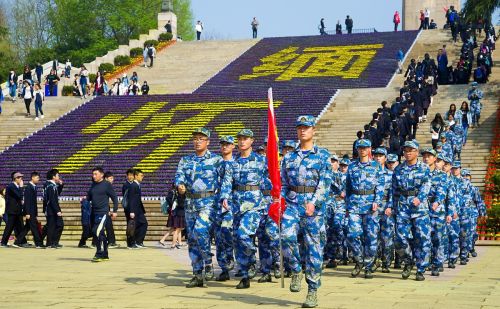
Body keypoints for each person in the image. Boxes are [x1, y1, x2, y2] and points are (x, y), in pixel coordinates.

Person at [280, 115, 331, 308]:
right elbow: (284, 183)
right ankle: (295, 269)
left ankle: (312, 290)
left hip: (313, 208)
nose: (303, 130)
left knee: (313, 250)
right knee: (285, 236)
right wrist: (280, 200)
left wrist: (314, 202)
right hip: (293, 204)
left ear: (313, 130)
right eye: (300, 127)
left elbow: (324, 184)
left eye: (306, 127)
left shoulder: (323, 155)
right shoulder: (289, 157)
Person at [219, 129, 271, 289]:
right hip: (237, 205)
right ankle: (244, 273)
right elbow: (227, 182)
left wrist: (273, 198)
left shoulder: (261, 160)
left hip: (255, 204)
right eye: (240, 139)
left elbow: (272, 180)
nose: (242, 141)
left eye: (245, 138)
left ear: (252, 141)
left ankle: (254, 260)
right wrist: (225, 197)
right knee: (237, 240)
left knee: (243, 234)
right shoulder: (233, 163)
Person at [175, 127, 225, 288]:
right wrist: (180, 185)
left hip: (209, 202)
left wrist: (223, 199)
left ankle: (208, 262)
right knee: (193, 240)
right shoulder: (186, 160)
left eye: (201, 139)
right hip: (190, 202)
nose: (197, 141)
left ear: (208, 142)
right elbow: (179, 176)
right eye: (195, 138)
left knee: (200, 230)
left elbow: (225, 180)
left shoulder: (216, 160)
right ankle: (197, 273)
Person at [390, 140, 431, 281]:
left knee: (422, 238)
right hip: (402, 206)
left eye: (410, 150)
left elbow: (426, 185)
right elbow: (394, 190)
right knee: (400, 238)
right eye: (405, 150)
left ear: (416, 152)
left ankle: (421, 268)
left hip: (419, 207)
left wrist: (420, 198)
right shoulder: (399, 169)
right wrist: (393, 207)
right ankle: (408, 261)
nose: (407, 153)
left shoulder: (424, 168)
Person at [346, 140, 384, 279]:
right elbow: (348, 187)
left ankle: (368, 266)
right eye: (360, 148)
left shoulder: (376, 166)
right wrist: (347, 205)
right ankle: (359, 260)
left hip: (370, 205)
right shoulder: (352, 166)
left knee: (371, 237)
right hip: (355, 204)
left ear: (370, 149)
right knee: (352, 234)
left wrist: (377, 201)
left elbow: (380, 185)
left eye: (365, 148)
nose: (362, 150)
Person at [421, 149, 450, 277]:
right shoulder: (420, 173)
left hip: (437, 210)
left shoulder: (441, 175)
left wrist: (437, 202)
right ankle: (425, 262)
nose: (426, 158)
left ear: (435, 159)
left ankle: (437, 263)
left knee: (437, 237)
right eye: (425, 156)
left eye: (429, 156)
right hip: (422, 209)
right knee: (423, 238)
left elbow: (442, 192)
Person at [214, 136, 236, 281]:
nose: (224, 147)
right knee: (219, 236)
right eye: (222, 144)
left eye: (227, 144)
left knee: (228, 231)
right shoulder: (216, 163)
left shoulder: (238, 163)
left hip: (234, 204)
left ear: (233, 146)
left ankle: (238, 261)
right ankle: (224, 267)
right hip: (216, 204)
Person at [86, 167, 119, 262]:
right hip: (94, 212)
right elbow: (89, 197)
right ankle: (105, 254)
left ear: (101, 174)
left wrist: (115, 211)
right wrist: (85, 198)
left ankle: (99, 253)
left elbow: (114, 198)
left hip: (103, 212)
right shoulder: (93, 185)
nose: (94, 176)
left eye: (95, 174)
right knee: (100, 233)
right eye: (93, 174)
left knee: (97, 231)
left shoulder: (106, 184)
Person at [372, 148, 394, 273]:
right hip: (373, 209)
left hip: (386, 207)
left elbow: (393, 192)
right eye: (376, 155)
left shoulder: (390, 175)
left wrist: (390, 206)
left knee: (386, 237)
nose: (378, 158)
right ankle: (374, 261)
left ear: (385, 158)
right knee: (372, 236)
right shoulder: (370, 172)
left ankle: (386, 262)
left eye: (381, 156)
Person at [19, 172, 45, 248]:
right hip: (30, 212)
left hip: (33, 212)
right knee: (34, 228)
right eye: (37, 178)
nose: (38, 179)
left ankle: (17, 241)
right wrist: (27, 212)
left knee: (27, 227)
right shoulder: (28, 187)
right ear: (32, 177)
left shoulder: (34, 187)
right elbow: (27, 201)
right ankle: (38, 244)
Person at [0, 172, 25, 248]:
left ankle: (21, 242)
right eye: (20, 178)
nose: (21, 179)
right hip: (12, 211)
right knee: (9, 227)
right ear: (16, 178)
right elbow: (19, 195)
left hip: (17, 210)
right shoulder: (11, 186)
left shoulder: (15, 186)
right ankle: (4, 242)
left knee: (20, 226)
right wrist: (21, 187)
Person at [44, 169, 64, 249]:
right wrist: (57, 211)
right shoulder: (50, 186)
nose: (59, 177)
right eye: (58, 175)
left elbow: (56, 194)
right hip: (51, 209)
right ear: (53, 177)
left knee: (56, 225)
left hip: (52, 209)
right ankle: (50, 243)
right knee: (53, 226)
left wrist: (61, 185)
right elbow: (52, 199)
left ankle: (53, 242)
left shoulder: (51, 185)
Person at [161, 183, 186, 248]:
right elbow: (180, 204)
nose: (183, 188)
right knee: (176, 229)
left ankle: (178, 243)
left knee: (178, 229)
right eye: (181, 186)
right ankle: (173, 244)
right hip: (177, 213)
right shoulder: (175, 193)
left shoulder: (179, 194)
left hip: (178, 213)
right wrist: (173, 204)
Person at [129, 169, 148, 249]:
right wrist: (131, 211)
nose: (142, 177)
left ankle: (137, 242)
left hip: (138, 210)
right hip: (135, 210)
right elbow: (131, 199)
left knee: (140, 224)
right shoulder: (133, 185)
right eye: (141, 175)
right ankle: (137, 242)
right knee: (143, 224)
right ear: (136, 176)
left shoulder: (137, 185)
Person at [121, 169, 135, 249]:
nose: (130, 177)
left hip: (134, 208)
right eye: (129, 175)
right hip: (128, 208)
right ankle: (130, 242)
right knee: (130, 225)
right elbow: (126, 198)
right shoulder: (126, 185)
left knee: (132, 225)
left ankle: (132, 241)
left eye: (131, 175)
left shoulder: (135, 184)